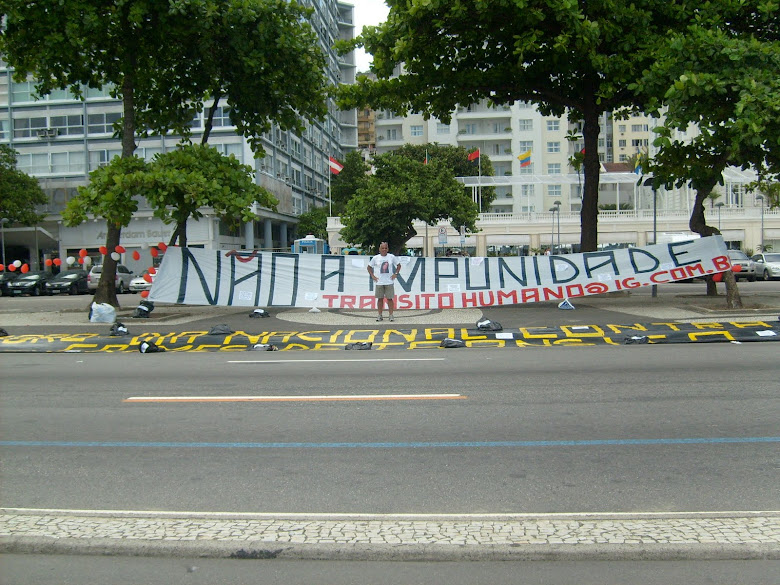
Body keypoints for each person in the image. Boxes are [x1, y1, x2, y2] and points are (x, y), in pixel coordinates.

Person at [367, 242, 401, 322]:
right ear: (379, 249)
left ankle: (391, 315)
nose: (384, 250)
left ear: (388, 249)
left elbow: (399, 265)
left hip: (389, 281)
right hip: (379, 282)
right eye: (382, 248)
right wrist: (372, 276)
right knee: (380, 299)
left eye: (385, 248)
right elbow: (369, 267)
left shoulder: (391, 257)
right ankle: (379, 315)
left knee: (390, 299)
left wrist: (395, 274)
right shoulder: (376, 258)